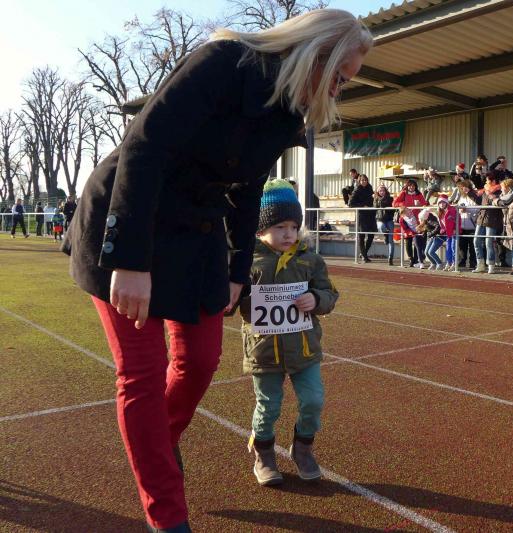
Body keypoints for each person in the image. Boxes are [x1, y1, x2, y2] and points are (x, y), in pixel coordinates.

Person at [61, 10, 371, 532]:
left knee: (201, 361)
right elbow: (144, 147)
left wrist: (236, 270)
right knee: (140, 374)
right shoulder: (223, 63)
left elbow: (248, 191)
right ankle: (168, 516)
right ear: (316, 55)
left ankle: (160, 443)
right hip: (130, 216)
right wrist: (130, 260)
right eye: (340, 77)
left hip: (197, 231)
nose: (340, 91)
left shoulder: (288, 111)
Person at [238, 179, 338, 486]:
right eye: (280, 226)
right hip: (264, 350)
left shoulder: (310, 259)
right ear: (260, 229)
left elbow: (329, 293)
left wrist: (316, 299)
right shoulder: (247, 261)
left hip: (304, 348)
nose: (288, 234)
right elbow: (233, 300)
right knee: (268, 406)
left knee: (313, 401)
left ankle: (303, 448)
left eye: (294, 226)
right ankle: (264, 454)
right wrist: (245, 299)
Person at [473, 171, 503, 274]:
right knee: (476, 241)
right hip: (481, 219)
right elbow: (478, 201)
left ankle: (491, 265)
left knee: (488, 243)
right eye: (486, 180)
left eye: (488, 180)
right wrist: (469, 192)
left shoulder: (499, 191)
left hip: (492, 220)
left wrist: (492, 197)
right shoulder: (484, 190)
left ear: (493, 181)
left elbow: (499, 204)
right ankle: (480, 264)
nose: (486, 182)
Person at [392, 178, 426, 264]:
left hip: (416, 220)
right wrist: (403, 204)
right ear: (407, 186)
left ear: (416, 187)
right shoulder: (403, 193)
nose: (411, 187)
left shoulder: (419, 194)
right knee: (408, 239)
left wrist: (420, 205)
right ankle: (411, 258)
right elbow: (394, 204)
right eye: (410, 186)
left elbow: (425, 204)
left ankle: (416, 259)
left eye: (413, 186)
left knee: (417, 240)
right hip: (406, 220)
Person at [347, 174, 377, 262]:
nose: (364, 182)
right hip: (362, 215)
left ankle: (364, 253)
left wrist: (375, 198)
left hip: (371, 215)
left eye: (365, 180)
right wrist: (362, 205)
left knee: (371, 235)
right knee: (362, 236)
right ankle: (365, 256)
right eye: (362, 180)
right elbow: (350, 204)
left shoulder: (370, 188)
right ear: (359, 181)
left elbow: (373, 200)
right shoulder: (357, 190)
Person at [454, 179, 478, 269]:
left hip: (472, 225)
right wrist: (460, 210)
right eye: (461, 188)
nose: (462, 189)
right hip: (462, 225)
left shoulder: (474, 196)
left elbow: (478, 209)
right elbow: (457, 209)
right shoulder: (461, 198)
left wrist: (467, 209)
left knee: (472, 246)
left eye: (464, 187)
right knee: (462, 245)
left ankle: (472, 262)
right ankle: (463, 261)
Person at [374, 184, 395, 265]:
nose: (382, 192)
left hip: (389, 219)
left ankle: (390, 258)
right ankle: (385, 235)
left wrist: (381, 201)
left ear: (386, 191)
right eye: (380, 191)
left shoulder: (390, 198)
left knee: (391, 240)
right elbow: (375, 207)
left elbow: (389, 207)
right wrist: (377, 199)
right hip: (380, 219)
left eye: (383, 190)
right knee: (381, 227)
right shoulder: (376, 199)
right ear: (378, 192)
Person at [436, 194, 458, 270]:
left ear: (446, 203)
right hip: (448, 233)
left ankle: (454, 263)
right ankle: (449, 263)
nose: (442, 204)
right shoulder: (440, 212)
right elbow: (442, 224)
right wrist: (443, 229)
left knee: (453, 247)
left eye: (443, 202)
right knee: (448, 248)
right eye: (440, 203)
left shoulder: (452, 210)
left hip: (454, 233)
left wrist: (455, 229)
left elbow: (457, 220)